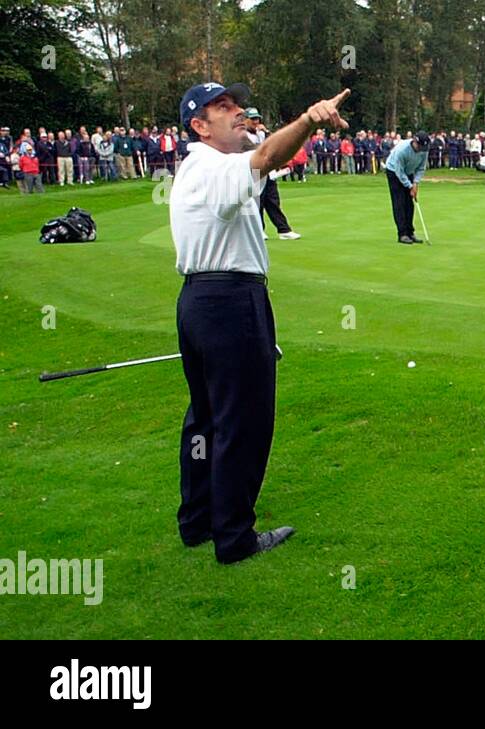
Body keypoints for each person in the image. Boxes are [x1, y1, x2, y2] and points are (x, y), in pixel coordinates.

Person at [170, 81, 350, 563]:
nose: (237, 112)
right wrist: (310, 117)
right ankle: (235, 537)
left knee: (206, 419)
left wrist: (310, 128)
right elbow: (267, 155)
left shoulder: (209, 161)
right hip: (230, 300)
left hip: (199, 301)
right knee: (241, 421)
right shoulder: (212, 166)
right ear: (199, 126)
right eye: (222, 108)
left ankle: (198, 521)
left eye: (236, 104)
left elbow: (265, 146)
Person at [244, 108, 300, 240]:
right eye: (252, 119)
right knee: (258, 201)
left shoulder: (261, 133)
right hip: (255, 171)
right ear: (245, 120)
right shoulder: (243, 135)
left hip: (268, 171)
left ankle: (283, 230)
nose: (256, 122)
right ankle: (259, 230)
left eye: (257, 119)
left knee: (273, 200)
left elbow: (274, 145)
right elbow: (256, 151)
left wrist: (267, 133)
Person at [384, 131, 428, 244]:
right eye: (420, 146)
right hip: (394, 171)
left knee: (409, 203)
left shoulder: (424, 149)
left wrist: (416, 183)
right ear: (414, 141)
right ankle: (402, 234)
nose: (421, 149)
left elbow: (421, 168)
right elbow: (399, 172)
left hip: (409, 171)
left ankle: (410, 232)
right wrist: (409, 185)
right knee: (399, 203)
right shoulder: (402, 150)